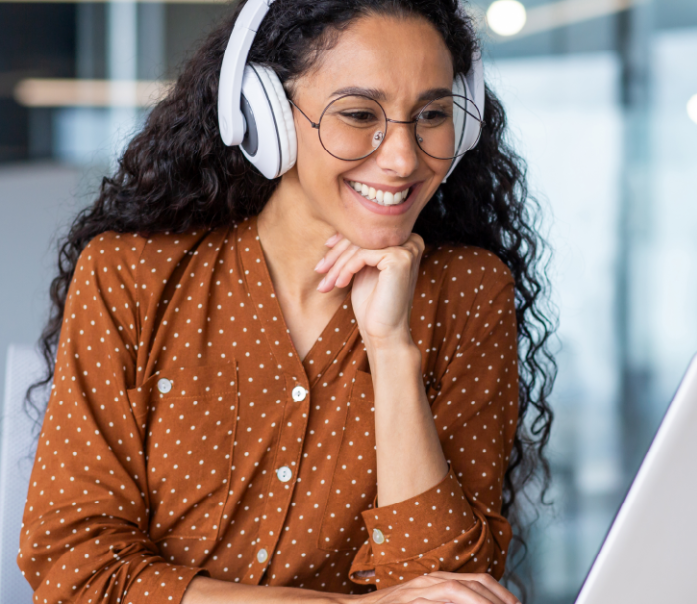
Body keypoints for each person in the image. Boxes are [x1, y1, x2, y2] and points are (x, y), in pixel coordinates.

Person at [18, 0, 556, 603]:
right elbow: (76, 570)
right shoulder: (131, 276)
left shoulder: (467, 292)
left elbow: (453, 586)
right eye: (358, 113)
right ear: (263, 114)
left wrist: (392, 351)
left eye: (431, 115)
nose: (404, 158)